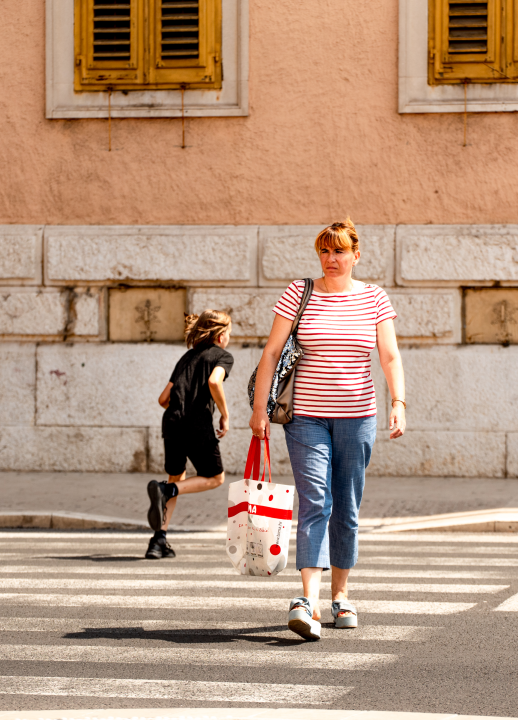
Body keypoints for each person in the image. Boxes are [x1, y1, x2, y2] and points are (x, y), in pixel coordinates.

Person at [248, 218, 406, 641]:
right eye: (325, 251)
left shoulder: (374, 298)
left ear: (356, 254)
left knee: (347, 508)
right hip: (306, 419)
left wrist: (399, 402)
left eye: (339, 251)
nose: (331, 259)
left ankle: (342, 594)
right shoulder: (299, 293)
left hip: (357, 417)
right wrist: (260, 408)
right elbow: (272, 351)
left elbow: (389, 356)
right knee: (315, 499)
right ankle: (306, 601)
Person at [146, 309, 234, 560]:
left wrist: (178, 408)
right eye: (228, 334)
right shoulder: (223, 356)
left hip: (172, 423)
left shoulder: (187, 357)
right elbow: (215, 382)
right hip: (197, 425)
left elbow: (164, 398)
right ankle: (168, 492)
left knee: (176, 477)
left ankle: (158, 540)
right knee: (215, 478)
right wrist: (224, 415)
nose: (228, 338)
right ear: (220, 336)